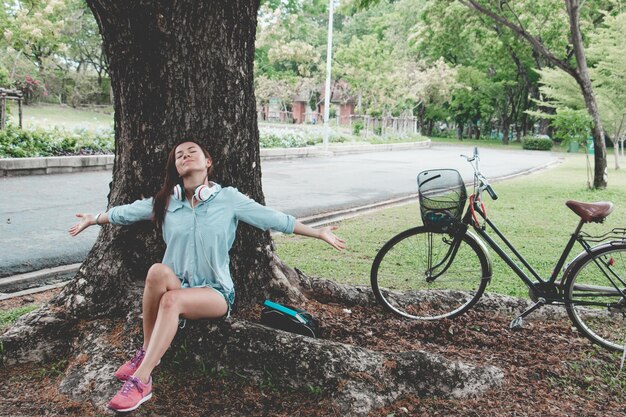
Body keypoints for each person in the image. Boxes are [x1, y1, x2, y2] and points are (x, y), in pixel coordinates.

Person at [69, 140, 346, 413]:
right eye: (179, 155)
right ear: (177, 169)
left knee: (171, 302)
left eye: (192, 152)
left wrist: (318, 232)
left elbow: (273, 218)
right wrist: (94, 218)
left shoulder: (228, 199)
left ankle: (142, 380)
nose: (186, 156)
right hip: (178, 284)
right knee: (156, 272)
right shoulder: (166, 202)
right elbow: (127, 213)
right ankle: (145, 350)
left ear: (207, 162)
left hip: (215, 294)